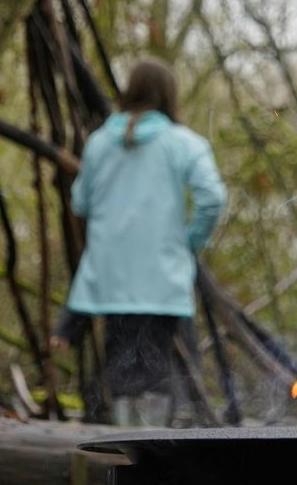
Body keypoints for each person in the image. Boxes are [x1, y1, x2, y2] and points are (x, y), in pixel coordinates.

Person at [51, 58, 226, 427]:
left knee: (123, 367)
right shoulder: (183, 143)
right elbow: (212, 197)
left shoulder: (99, 144)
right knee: (160, 369)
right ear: (168, 94)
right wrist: (189, 240)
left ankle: (128, 451)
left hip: (112, 279)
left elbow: (80, 201)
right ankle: (153, 454)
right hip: (162, 278)